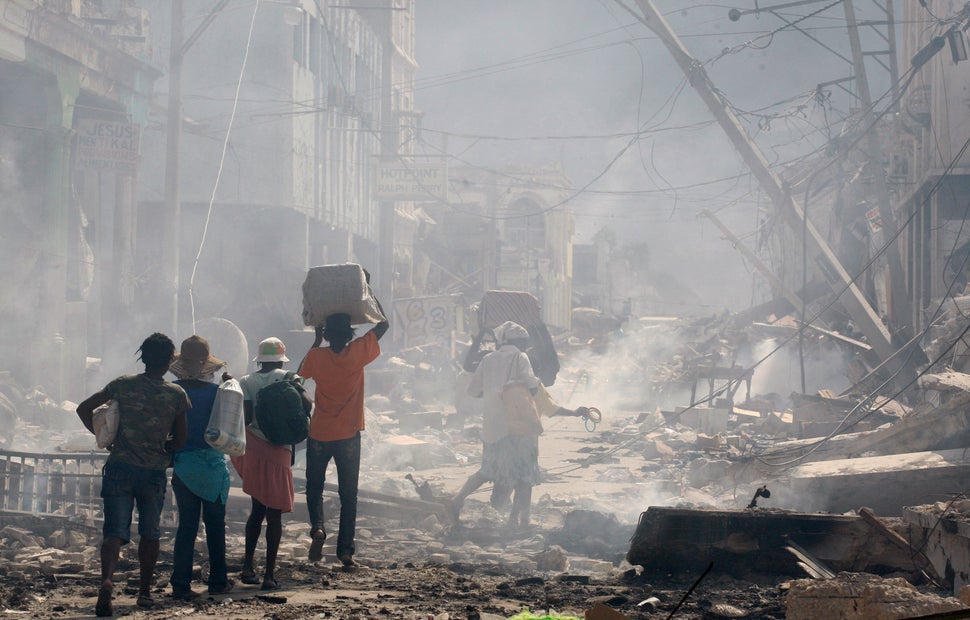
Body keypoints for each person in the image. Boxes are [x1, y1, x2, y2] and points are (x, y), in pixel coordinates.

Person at [76, 333, 190, 617]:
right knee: (150, 533)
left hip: (119, 467)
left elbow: (84, 408)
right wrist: (165, 447)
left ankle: (107, 581)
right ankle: (145, 592)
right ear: (168, 362)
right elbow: (180, 441)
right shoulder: (176, 394)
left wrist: (105, 437)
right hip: (152, 472)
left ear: (144, 358)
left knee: (114, 531)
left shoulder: (122, 384)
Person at [299, 299, 389, 567]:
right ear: (349, 334)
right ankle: (345, 552)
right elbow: (384, 324)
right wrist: (368, 294)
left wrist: (316, 341)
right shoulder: (358, 352)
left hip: (320, 433)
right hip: (348, 435)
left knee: (314, 488)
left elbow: (297, 379)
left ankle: (318, 527)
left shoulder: (317, 357)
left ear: (326, 334)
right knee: (348, 495)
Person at [231, 337, 311, 591]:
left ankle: (247, 567)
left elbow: (245, 417)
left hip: (255, 447)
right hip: (280, 450)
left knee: (257, 509)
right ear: (281, 359)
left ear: (260, 360)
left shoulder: (246, 381)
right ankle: (268, 575)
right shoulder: (290, 377)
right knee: (274, 514)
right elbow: (308, 404)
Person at [452, 321, 542, 528]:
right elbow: (531, 385)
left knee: (488, 470)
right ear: (520, 342)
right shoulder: (520, 357)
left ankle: (457, 499)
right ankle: (518, 520)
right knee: (524, 474)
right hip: (518, 426)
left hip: (493, 427)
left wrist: (494, 395)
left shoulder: (488, 359)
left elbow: (473, 391)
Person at [167, 336, 234, 600]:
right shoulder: (218, 392)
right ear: (207, 364)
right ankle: (218, 581)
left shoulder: (173, 391)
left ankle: (180, 584)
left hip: (184, 467)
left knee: (187, 527)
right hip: (213, 467)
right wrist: (231, 384)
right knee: (216, 526)